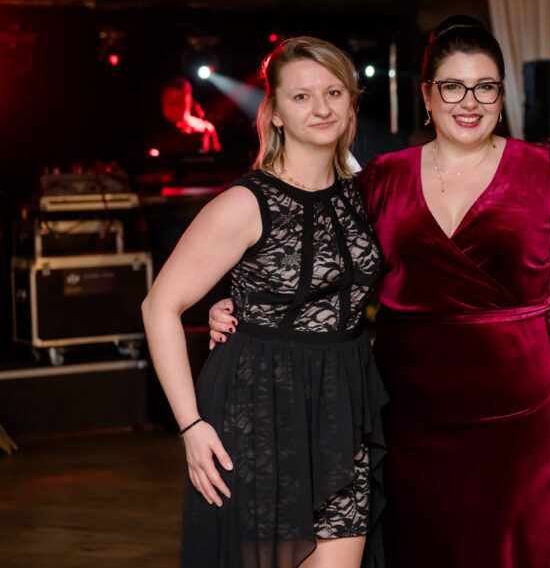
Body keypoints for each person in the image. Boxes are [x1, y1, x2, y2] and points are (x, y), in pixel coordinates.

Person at [212, 17, 550, 568]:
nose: (470, 102)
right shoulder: (381, 178)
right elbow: (327, 266)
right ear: (427, 96)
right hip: (407, 412)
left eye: (485, 86)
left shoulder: (543, 167)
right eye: (452, 87)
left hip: (522, 414)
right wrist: (240, 302)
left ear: (502, 96)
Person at [143, 37, 387, 568]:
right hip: (259, 412)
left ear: (351, 103)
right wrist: (191, 426)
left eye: (333, 93)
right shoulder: (245, 202)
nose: (321, 108)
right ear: (273, 112)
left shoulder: (366, 191)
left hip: (342, 408)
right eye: (301, 96)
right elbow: (159, 306)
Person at [158, 76, 222, 154]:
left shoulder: (205, 129)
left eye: (179, 100)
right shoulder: (154, 132)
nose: (174, 106)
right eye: (169, 100)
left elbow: (215, 159)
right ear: (162, 101)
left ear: (190, 101)